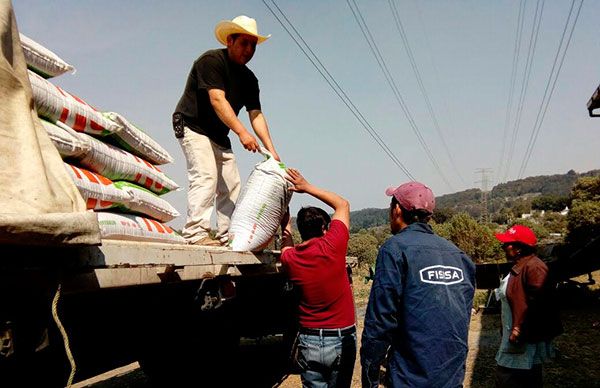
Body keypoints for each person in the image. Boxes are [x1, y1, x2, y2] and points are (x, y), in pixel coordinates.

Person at [173, 15, 279, 246]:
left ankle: (226, 236)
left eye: (253, 45)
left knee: (231, 184)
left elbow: (256, 114)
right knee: (206, 175)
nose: (249, 50)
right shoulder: (211, 61)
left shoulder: (250, 79)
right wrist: (242, 133)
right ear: (230, 41)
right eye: (244, 43)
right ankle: (195, 233)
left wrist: (272, 150)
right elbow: (217, 100)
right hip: (192, 125)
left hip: (218, 133)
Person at [360, 182, 476, 387]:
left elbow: (380, 322)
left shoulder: (394, 249)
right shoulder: (458, 254)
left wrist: (370, 378)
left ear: (396, 210)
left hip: (410, 378)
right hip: (452, 377)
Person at [279, 168, 356, 388]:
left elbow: (285, 246)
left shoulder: (291, 259)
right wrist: (306, 186)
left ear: (302, 231)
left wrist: (286, 225)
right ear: (324, 228)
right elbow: (342, 204)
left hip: (309, 340)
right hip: (341, 339)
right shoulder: (333, 245)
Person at [493, 225, 563, 388]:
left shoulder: (534, 267)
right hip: (516, 339)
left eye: (507, 244)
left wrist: (519, 329)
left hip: (522, 341)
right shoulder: (520, 266)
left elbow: (541, 305)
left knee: (508, 378)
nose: (503, 247)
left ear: (518, 248)